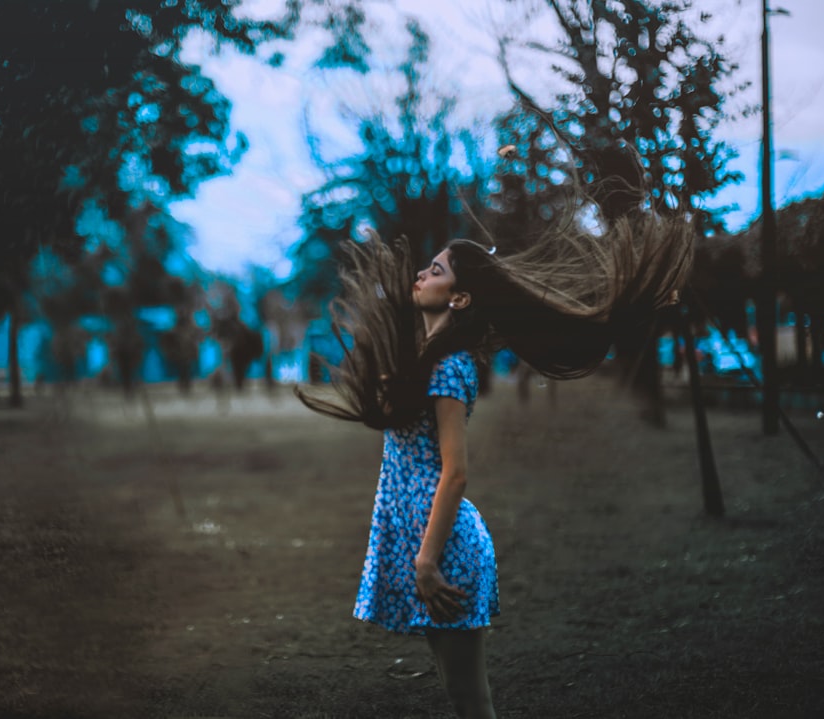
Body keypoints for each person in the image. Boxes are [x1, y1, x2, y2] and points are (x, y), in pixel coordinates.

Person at [296, 211, 692, 717]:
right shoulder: (425, 355)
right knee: (456, 691)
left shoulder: (451, 366)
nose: (421, 274)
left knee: (470, 698)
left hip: (444, 551)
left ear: (460, 298)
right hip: (426, 541)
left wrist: (426, 560)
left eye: (436, 271)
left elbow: (456, 471)